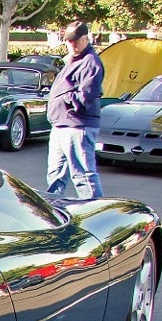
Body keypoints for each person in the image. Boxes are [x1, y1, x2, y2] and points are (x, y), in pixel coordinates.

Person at [46, 21, 105, 199]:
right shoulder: (73, 61)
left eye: (75, 40)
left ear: (86, 39)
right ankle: (53, 212)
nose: (71, 44)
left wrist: (65, 97)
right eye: (68, 40)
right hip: (61, 125)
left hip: (77, 126)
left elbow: (86, 96)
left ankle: (97, 215)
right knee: (56, 176)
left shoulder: (90, 63)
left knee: (83, 176)